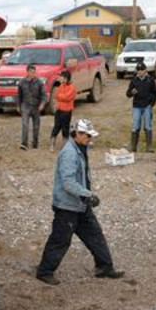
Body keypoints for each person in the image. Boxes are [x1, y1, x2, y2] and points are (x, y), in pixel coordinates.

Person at [36, 119, 124, 285]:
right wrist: (87, 195)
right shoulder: (70, 153)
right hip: (67, 206)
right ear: (77, 134)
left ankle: (104, 267)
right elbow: (68, 182)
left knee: (95, 235)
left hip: (80, 204)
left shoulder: (79, 149)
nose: (90, 139)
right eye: (88, 135)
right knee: (60, 240)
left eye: (90, 135)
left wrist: (85, 196)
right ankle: (44, 271)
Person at [126, 63, 156, 153]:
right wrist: (132, 92)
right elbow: (128, 94)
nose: (140, 72)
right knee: (135, 125)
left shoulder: (150, 80)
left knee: (148, 125)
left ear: (145, 70)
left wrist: (152, 104)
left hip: (147, 106)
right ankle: (133, 146)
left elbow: (155, 93)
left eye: (141, 70)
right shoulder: (134, 81)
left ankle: (149, 146)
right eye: (138, 70)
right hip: (137, 106)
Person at [17, 64, 46, 150]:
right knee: (25, 125)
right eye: (31, 72)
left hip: (36, 106)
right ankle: (24, 143)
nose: (33, 74)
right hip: (25, 106)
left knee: (36, 126)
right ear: (28, 72)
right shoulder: (21, 82)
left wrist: (42, 104)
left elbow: (43, 95)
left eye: (34, 72)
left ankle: (35, 143)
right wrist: (18, 106)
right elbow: (19, 95)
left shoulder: (39, 82)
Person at [50, 70, 76, 151]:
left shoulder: (72, 87)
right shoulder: (61, 86)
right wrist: (61, 96)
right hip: (59, 109)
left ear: (66, 78)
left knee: (65, 128)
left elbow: (67, 97)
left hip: (67, 111)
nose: (61, 78)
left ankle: (65, 145)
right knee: (56, 127)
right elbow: (56, 95)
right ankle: (52, 144)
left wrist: (60, 96)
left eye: (62, 77)